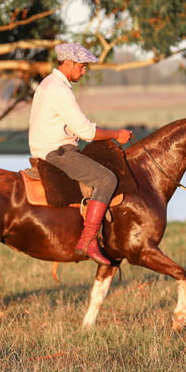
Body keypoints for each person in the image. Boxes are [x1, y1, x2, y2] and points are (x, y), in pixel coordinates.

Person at [28, 42, 133, 266]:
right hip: (57, 151)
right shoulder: (59, 90)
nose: (83, 71)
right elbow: (86, 131)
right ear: (68, 63)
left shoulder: (47, 84)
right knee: (107, 179)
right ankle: (88, 240)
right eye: (82, 67)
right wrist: (116, 134)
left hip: (47, 147)